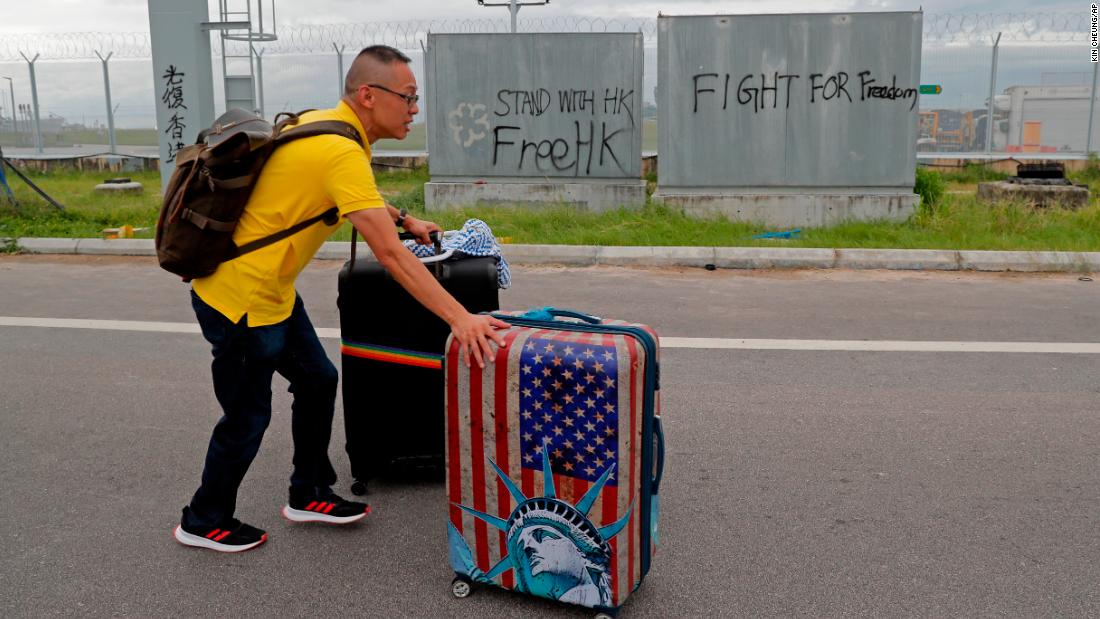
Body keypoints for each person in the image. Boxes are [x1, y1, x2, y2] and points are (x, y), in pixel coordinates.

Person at [173, 45, 509, 553]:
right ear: (369, 95)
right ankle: (203, 517)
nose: (415, 108)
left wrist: (402, 217)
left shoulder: (330, 126)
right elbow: (393, 258)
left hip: (273, 294)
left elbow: (351, 194)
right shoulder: (341, 149)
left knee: (318, 379)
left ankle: (308, 491)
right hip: (239, 299)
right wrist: (460, 319)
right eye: (409, 97)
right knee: (247, 416)